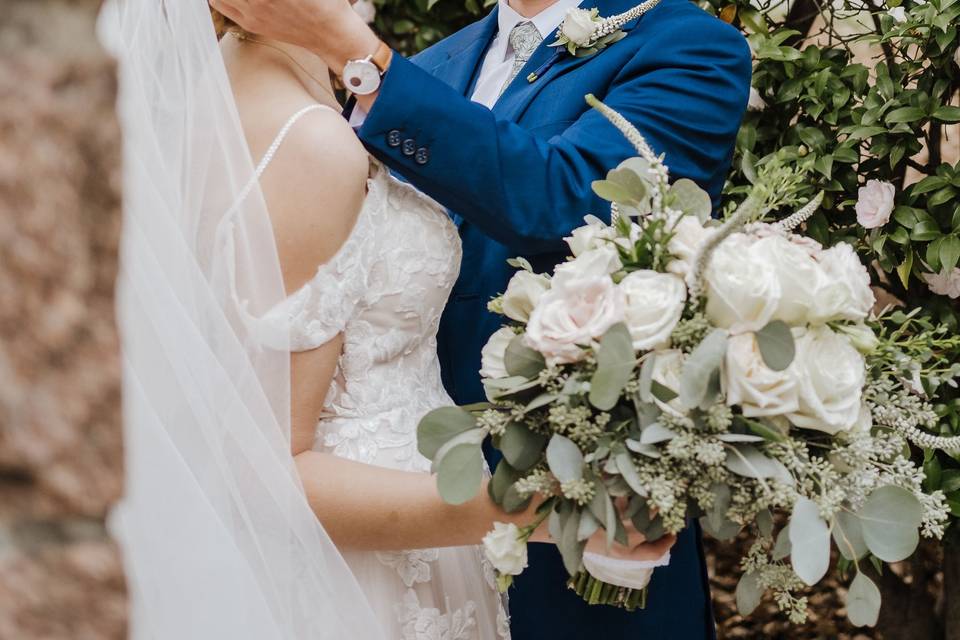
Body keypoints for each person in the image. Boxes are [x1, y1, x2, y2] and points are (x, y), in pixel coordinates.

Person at [107, 1, 670, 638]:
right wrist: (545, 510)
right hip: (358, 574)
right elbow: (265, 464)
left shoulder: (208, 106)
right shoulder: (309, 140)